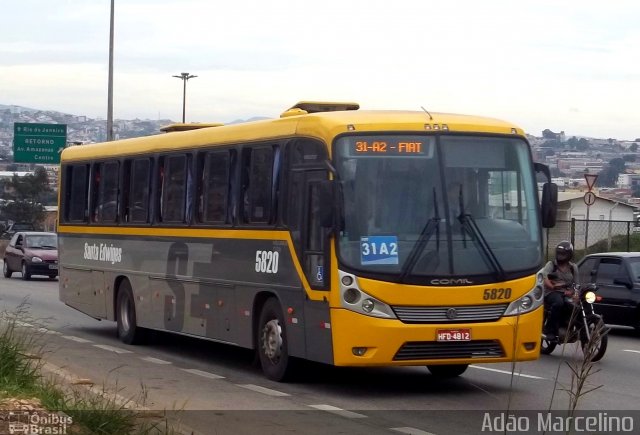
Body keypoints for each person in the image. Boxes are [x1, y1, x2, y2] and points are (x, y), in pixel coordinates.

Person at [541, 241, 579, 342]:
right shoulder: (551, 264)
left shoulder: (573, 267)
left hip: (566, 293)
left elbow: (576, 283)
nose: (561, 256)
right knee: (558, 303)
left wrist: (573, 292)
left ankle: (569, 327)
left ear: (569, 255)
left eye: (563, 254)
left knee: (576, 305)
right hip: (551, 292)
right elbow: (545, 279)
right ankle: (550, 331)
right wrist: (554, 287)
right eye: (559, 253)